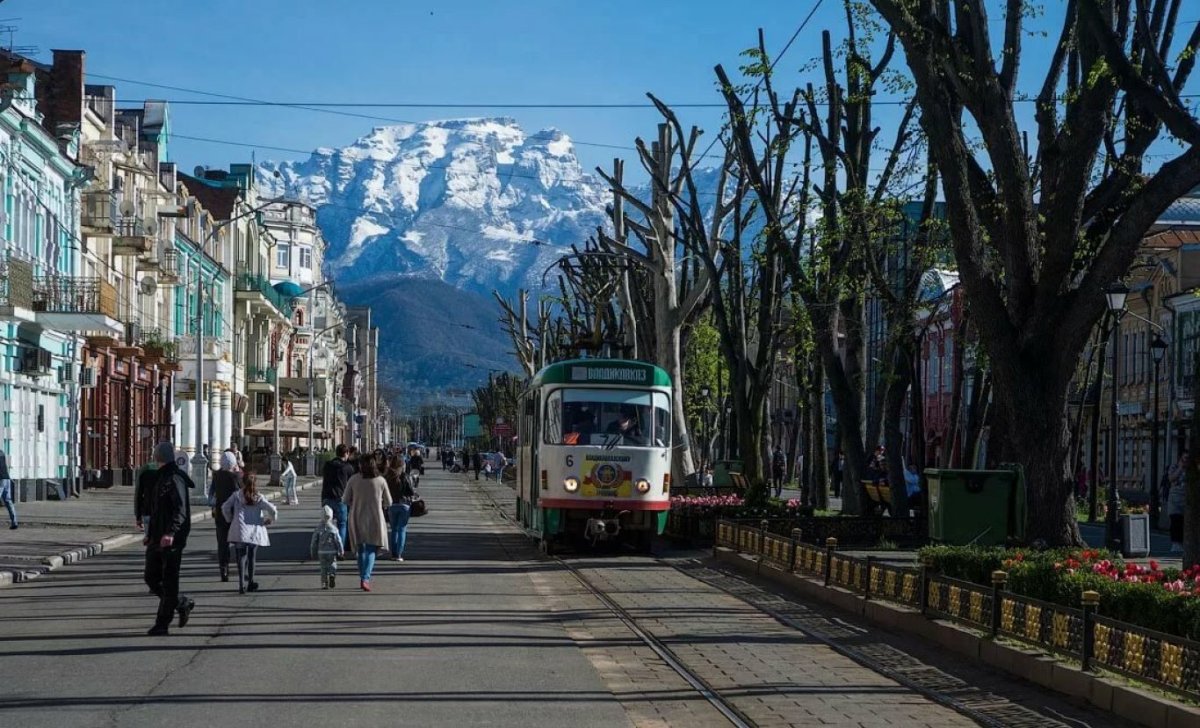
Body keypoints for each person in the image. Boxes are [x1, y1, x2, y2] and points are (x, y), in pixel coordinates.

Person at [144, 442, 195, 636]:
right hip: (157, 536)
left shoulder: (174, 478)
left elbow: (180, 511)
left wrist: (171, 533)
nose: (152, 456)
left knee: (169, 581)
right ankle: (181, 603)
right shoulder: (162, 476)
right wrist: (150, 535)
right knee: (151, 577)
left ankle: (162, 623)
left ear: (159, 457)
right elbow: (157, 510)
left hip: (171, 539)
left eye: (154, 453)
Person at [221, 470, 278, 594]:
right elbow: (272, 509)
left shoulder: (236, 496)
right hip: (254, 531)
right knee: (252, 557)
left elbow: (224, 507)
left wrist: (230, 519)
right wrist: (270, 520)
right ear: (255, 483)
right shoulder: (259, 497)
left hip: (240, 530)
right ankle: (251, 581)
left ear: (242, 482)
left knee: (241, 558)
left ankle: (241, 585)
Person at [344, 453, 392, 591]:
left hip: (357, 516)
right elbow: (389, 501)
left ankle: (363, 575)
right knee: (371, 548)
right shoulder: (381, 481)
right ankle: (365, 577)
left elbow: (345, 499)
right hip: (375, 517)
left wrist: (356, 500)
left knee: (361, 548)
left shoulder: (353, 479)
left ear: (360, 465)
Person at [210, 451, 241, 582]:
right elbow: (240, 493)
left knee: (222, 543)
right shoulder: (235, 477)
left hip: (220, 513)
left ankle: (224, 569)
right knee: (239, 543)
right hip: (234, 514)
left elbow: (211, 495)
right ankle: (241, 569)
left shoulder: (216, 476)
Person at [384, 455, 415, 562]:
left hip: (392, 505)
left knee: (394, 530)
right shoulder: (405, 476)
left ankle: (393, 553)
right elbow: (411, 491)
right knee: (402, 529)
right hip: (404, 505)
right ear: (402, 465)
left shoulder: (387, 477)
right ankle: (399, 554)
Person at [322, 444, 354, 547]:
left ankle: (327, 545)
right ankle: (341, 549)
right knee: (342, 524)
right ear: (346, 453)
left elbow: (325, 481)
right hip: (341, 499)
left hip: (327, 497)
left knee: (327, 524)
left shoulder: (327, 465)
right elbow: (351, 483)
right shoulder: (348, 467)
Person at [310, 505, 344, 589]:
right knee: (332, 564)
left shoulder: (318, 529)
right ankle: (332, 574)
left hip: (321, 552)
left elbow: (314, 541)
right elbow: (338, 541)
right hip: (332, 551)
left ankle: (324, 583)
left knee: (323, 568)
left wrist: (312, 551)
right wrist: (341, 551)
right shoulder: (333, 529)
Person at [1167, 451, 1189, 553]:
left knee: (1185, 522)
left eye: (1187, 459)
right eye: (1184, 458)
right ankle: (1176, 544)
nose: (1185, 461)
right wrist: (1180, 468)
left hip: (1187, 499)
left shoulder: (1192, 468)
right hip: (1175, 500)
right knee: (1176, 521)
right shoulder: (1174, 466)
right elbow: (1171, 478)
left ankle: (1184, 543)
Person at [134, 461, 159, 534]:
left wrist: (138, 516)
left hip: (148, 511)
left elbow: (138, 495)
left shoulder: (145, 469)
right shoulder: (169, 471)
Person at [0, 450, 16, 530]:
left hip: (0, 480)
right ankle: (14, 522)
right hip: (7, 478)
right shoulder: (2, 452)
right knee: (8, 501)